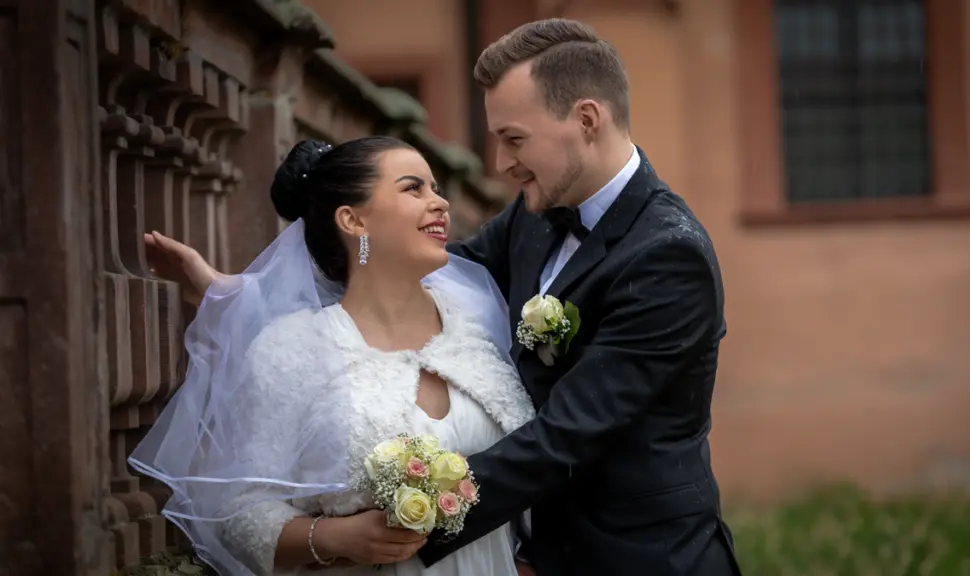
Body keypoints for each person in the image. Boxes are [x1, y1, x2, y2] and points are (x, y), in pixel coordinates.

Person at [142, 18, 741, 576]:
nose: (502, 164)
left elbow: (568, 433)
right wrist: (242, 294)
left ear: (586, 120)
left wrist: (415, 514)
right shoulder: (537, 215)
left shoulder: (668, 255)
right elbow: (410, 268)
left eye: (514, 139)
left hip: (642, 556)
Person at [130, 136, 537, 575]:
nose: (439, 203)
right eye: (412, 188)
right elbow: (238, 509)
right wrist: (334, 538)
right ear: (353, 220)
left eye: (436, 188)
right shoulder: (291, 349)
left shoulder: (476, 325)